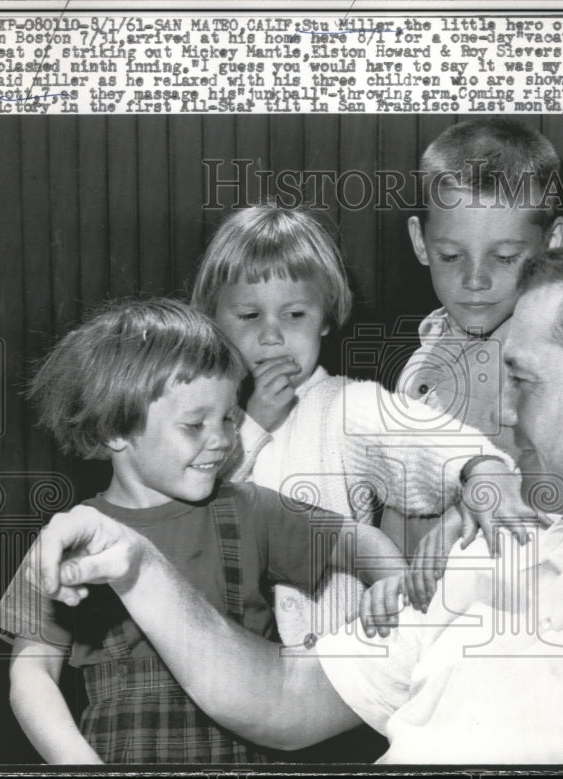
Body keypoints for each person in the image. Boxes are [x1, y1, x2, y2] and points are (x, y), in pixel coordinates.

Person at [26, 238, 563, 764]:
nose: (500, 412)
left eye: (522, 381)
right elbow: (287, 701)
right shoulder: (498, 550)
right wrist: (137, 565)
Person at [0, 299, 400, 764]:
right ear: (114, 431)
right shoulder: (69, 539)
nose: (223, 439)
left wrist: (391, 584)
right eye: (194, 424)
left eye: (228, 417)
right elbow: (31, 670)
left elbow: (358, 540)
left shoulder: (251, 508)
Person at [190, 203, 527, 645]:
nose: (272, 336)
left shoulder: (345, 407)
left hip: (330, 670)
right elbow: (193, 504)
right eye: (250, 316)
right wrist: (253, 425)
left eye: (295, 315)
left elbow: (423, 439)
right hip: (219, 659)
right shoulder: (197, 413)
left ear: (326, 317)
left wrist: (481, 468)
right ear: (214, 320)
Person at [398, 117, 563, 460]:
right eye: (450, 256)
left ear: (552, 242)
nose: (475, 281)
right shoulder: (425, 352)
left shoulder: (551, 370)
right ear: (420, 242)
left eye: (505, 257)